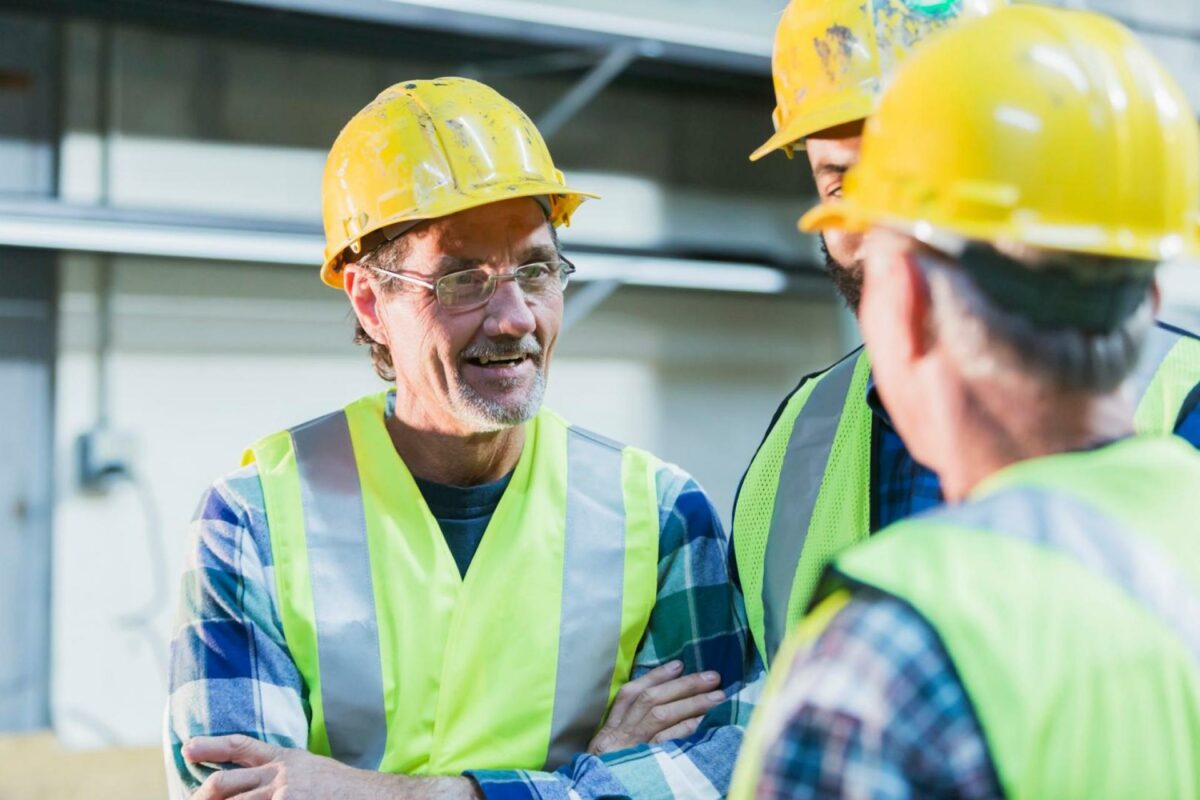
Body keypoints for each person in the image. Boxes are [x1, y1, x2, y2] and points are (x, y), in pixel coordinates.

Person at [165, 78, 759, 800]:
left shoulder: (662, 516)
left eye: (536, 270)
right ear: (369, 302)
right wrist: (597, 779)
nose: (515, 318)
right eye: (462, 281)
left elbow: (726, 774)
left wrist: (412, 794)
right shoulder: (254, 522)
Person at [732, 6, 1200, 797]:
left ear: (905, 296)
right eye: (841, 185)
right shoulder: (797, 444)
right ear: (1145, 289)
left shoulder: (880, 662)